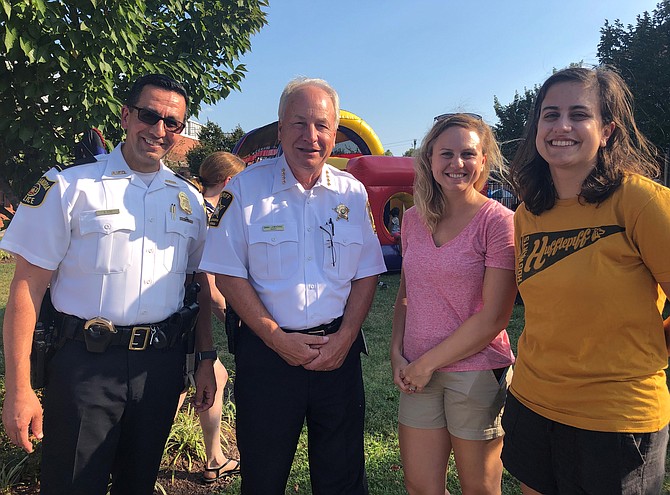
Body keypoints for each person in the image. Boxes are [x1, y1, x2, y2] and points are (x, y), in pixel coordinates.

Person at [0, 74, 217, 495]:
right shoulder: (70, 186)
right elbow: (26, 288)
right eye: (149, 116)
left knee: (139, 484)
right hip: (85, 365)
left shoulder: (188, 201)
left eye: (173, 123)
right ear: (125, 115)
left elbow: (199, 285)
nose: (159, 130)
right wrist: (19, 387)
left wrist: (205, 357)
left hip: (160, 367)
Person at [199, 77, 386, 494]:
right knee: (264, 478)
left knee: (342, 479)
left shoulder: (352, 193)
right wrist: (275, 337)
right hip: (267, 358)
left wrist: (347, 336)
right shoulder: (245, 188)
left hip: (337, 356)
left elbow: (367, 271)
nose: (310, 136)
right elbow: (228, 272)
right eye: (298, 123)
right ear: (280, 128)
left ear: (335, 134)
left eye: (322, 125)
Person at [501, 66, 670, 495]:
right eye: (549, 114)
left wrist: (652, 347)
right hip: (533, 403)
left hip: (615, 418)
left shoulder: (640, 200)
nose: (562, 126)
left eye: (579, 114)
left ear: (607, 130)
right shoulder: (527, 214)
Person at [390, 113, 517, 495]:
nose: (456, 164)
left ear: (482, 161)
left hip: (475, 373)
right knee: (420, 486)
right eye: (446, 153)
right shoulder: (413, 220)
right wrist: (397, 352)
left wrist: (426, 364)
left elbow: (494, 316)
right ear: (429, 158)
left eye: (467, 154)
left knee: (478, 488)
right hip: (416, 371)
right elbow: (405, 294)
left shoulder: (498, 223)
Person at [177, 151, 245, 483]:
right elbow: (209, 283)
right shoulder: (210, 214)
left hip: (176, 313)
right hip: (187, 317)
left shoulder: (189, 206)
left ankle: (215, 456)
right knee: (180, 388)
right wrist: (237, 320)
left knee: (213, 377)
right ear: (231, 181)